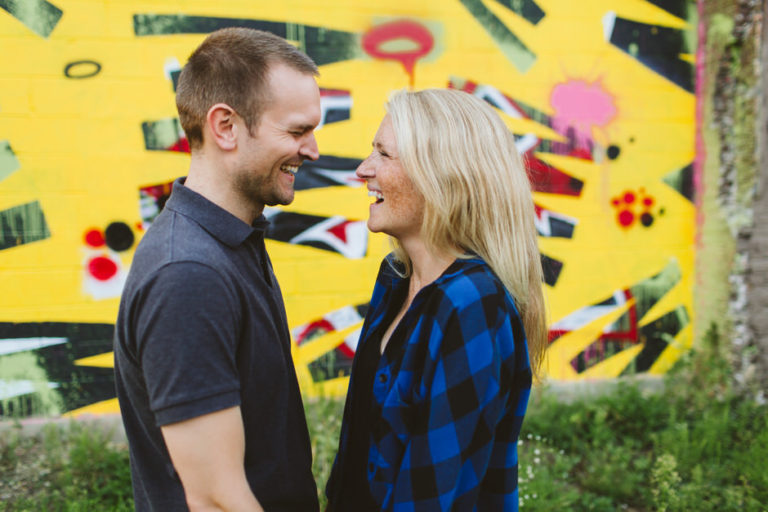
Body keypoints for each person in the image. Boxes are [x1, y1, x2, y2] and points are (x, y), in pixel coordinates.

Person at [113, 27, 322, 511]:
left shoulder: (233, 238)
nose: (312, 150)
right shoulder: (188, 274)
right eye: (296, 131)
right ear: (225, 126)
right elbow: (215, 498)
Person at [325, 88, 548, 511]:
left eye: (384, 155)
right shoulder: (395, 279)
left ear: (441, 175)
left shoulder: (472, 304)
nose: (362, 169)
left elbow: (427, 493)